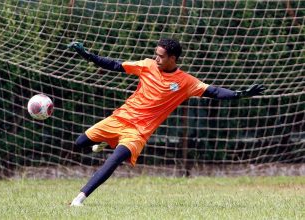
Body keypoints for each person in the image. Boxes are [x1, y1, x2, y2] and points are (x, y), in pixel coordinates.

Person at [67, 39, 265, 206]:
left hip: (138, 132)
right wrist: (88, 55)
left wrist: (238, 94)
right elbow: (115, 65)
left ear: (172, 59)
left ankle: (79, 199)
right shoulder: (147, 65)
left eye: (160, 56)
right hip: (119, 118)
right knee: (79, 143)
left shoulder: (185, 82)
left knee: (114, 160)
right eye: (156, 54)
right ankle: (106, 141)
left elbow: (213, 91)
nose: (156, 58)